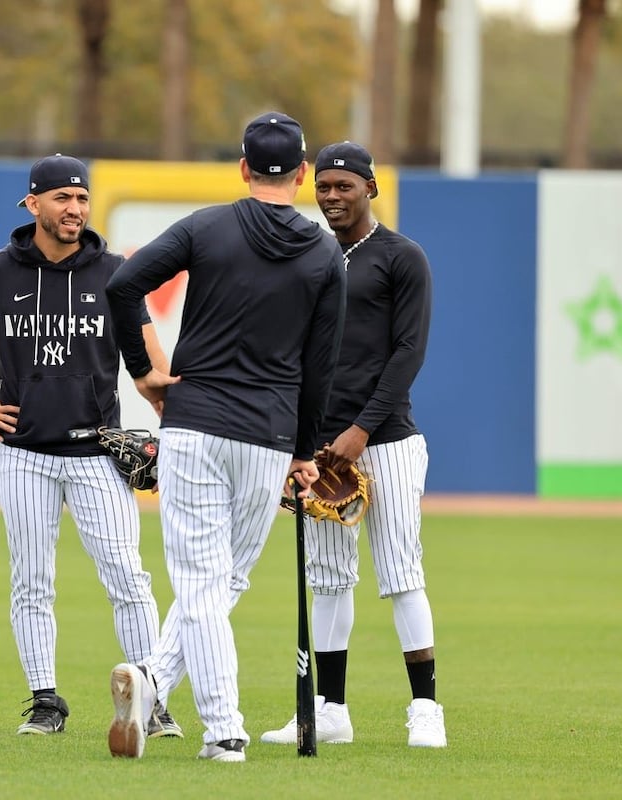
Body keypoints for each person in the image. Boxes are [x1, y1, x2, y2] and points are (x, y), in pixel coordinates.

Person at [103, 113, 347, 763]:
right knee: (221, 581)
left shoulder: (206, 226)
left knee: (210, 583)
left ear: (242, 167)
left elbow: (123, 284)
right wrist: (304, 452)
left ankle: (200, 714)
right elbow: (322, 367)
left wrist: (145, 374)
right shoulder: (326, 254)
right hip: (268, 438)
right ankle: (199, 712)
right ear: (301, 174)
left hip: (197, 423)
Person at [0, 154, 181, 739]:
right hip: (22, 452)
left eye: (81, 198)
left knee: (128, 578)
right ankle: (46, 700)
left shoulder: (116, 272)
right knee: (32, 581)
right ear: (33, 204)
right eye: (61, 199)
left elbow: (150, 362)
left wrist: (171, 420)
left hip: (98, 453)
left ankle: (151, 699)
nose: (74, 209)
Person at [259, 141, 444, 748]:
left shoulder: (401, 257)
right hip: (318, 449)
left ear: (371, 188)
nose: (333, 196)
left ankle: (425, 709)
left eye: (346, 186)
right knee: (330, 577)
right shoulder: (306, 255)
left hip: (385, 439)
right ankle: (329, 710)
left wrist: (362, 429)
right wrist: (297, 441)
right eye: (326, 186)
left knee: (400, 571)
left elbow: (408, 352)